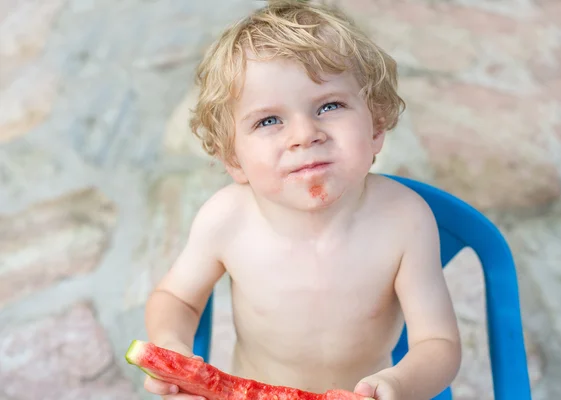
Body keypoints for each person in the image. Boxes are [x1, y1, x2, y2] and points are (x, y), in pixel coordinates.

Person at [143, 1, 461, 399]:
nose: (304, 134)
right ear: (232, 158)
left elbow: (439, 344)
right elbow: (175, 298)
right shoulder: (227, 219)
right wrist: (171, 341)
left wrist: (395, 385)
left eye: (329, 106)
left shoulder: (405, 219)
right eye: (268, 120)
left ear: (376, 126)